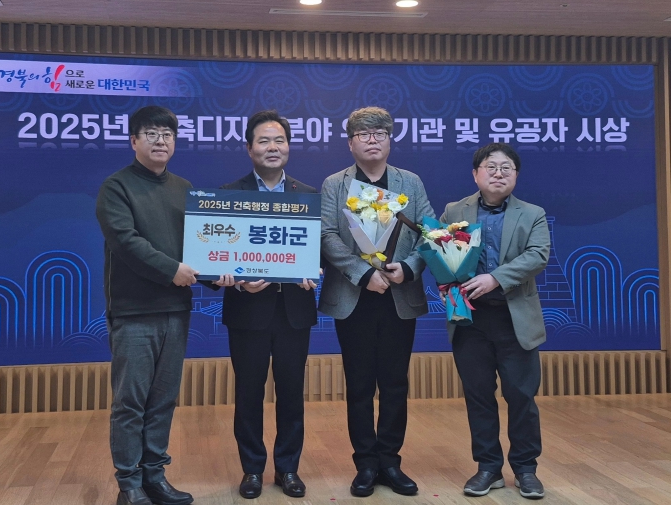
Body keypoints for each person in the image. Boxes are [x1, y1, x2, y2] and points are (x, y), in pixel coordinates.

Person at [96, 105, 233, 505]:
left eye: (167, 134)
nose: (161, 141)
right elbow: (126, 242)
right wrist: (172, 270)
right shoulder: (116, 187)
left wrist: (219, 274)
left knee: (163, 400)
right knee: (130, 403)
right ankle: (129, 484)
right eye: (151, 134)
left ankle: (155, 476)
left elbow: (201, 246)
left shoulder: (185, 188)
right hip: (134, 312)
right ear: (133, 141)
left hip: (176, 310)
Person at [319, 106, 436, 497]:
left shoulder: (410, 182)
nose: (372, 140)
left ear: (390, 140)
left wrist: (410, 267)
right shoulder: (335, 184)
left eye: (380, 133)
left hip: (398, 294)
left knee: (395, 383)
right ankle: (365, 463)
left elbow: (429, 232)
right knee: (358, 384)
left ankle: (390, 461)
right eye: (364, 134)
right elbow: (327, 236)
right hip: (354, 295)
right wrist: (362, 273)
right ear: (350, 143)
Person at [440, 142, 549, 500]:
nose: (498, 173)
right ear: (476, 174)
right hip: (469, 319)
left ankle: (526, 469)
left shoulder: (532, 214)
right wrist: (445, 282)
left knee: (521, 397)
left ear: (516, 175)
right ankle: (488, 467)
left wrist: (495, 278)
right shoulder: (454, 210)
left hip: (514, 318)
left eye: (506, 168)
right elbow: (439, 251)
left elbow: (537, 255)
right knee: (479, 397)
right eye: (491, 167)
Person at [219, 110, 318, 500]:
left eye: (279, 140)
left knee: (292, 393)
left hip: (294, 311)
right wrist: (235, 278)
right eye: (263, 141)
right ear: (249, 148)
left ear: (288, 147)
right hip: (248, 311)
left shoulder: (308, 194)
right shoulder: (229, 194)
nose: (272, 147)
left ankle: (288, 468)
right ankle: (252, 470)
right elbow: (212, 258)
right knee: (248, 394)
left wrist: (315, 269)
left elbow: (322, 250)